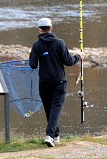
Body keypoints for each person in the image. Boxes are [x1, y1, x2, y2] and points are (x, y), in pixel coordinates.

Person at [29, 17, 84, 147]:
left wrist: (33, 55)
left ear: (40, 29)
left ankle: (55, 136)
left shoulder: (36, 45)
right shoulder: (59, 43)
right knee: (55, 109)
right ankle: (50, 135)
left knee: (50, 109)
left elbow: (32, 65)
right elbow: (69, 61)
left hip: (44, 82)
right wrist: (79, 56)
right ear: (51, 28)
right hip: (59, 82)